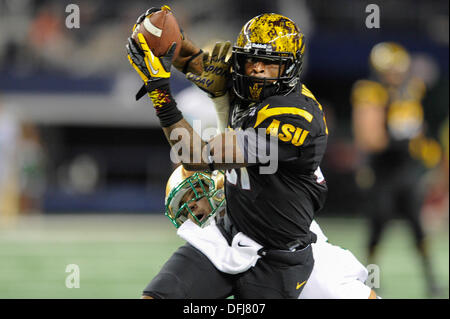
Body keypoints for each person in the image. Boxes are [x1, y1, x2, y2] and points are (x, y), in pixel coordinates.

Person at [127, 8, 328, 298]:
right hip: (227, 233)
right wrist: (160, 36)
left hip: (278, 258)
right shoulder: (243, 82)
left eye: (269, 63)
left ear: (289, 68)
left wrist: (159, 91)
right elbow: (187, 57)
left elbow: (194, 156)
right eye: (251, 60)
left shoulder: (295, 117)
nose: (257, 69)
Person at [163, 166, 378, 299]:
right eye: (185, 207)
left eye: (195, 194)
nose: (193, 209)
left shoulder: (255, 200)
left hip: (311, 266)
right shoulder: (214, 237)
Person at [351, 42, 442, 297]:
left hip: (406, 169)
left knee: (417, 225)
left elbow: (418, 126)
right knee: (378, 224)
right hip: (383, 170)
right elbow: (369, 138)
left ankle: (430, 278)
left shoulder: (410, 90)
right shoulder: (371, 92)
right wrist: (399, 139)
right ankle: (369, 277)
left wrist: (422, 147)